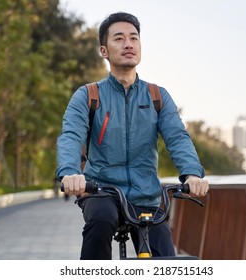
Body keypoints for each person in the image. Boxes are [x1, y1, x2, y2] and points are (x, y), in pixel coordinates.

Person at [56, 12, 209, 260]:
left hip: (146, 195)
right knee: (101, 220)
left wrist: (192, 173)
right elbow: (70, 135)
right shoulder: (88, 95)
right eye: (119, 39)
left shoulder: (157, 96)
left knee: (163, 253)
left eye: (134, 38)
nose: (128, 44)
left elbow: (177, 137)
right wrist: (70, 173)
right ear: (104, 50)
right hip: (101, 191)